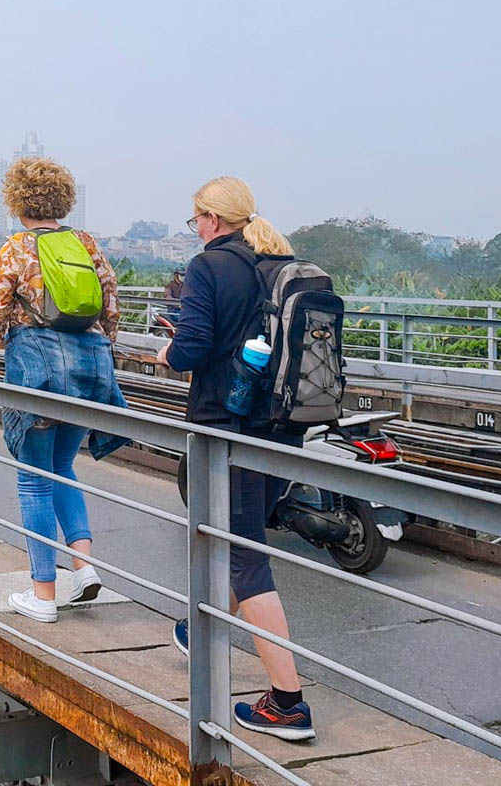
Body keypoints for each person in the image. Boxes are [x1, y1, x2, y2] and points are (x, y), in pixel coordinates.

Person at [161, 176, 314, 742]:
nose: (196, 228)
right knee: (237, 539)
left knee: (245, 555)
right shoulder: (280, 263)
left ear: (212, 219)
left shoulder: (209, 266)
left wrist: (169, 351)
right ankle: (199, 627)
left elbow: (193, 348)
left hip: (230, 427)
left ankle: (288, 703)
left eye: (196, 219)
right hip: (282, 426)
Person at [0, 157, 128, 624]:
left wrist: (1, 342)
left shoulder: (17, 248)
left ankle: (43, 594)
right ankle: (84, 568)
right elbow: (111, 305)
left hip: (39, 370)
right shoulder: (85, 243)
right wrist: (98, 347)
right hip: (89, 370)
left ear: (17, 200)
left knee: (33, 478)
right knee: (63, 467)